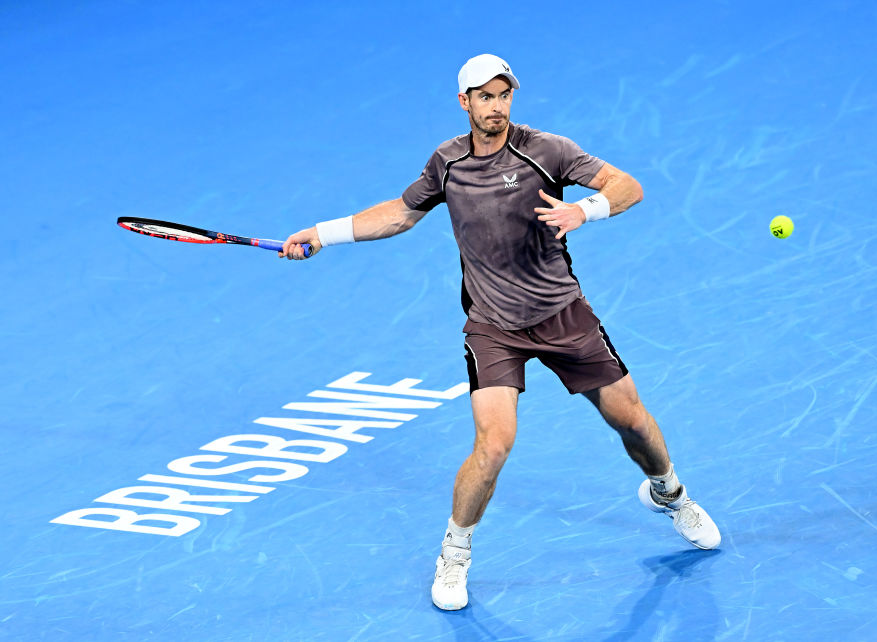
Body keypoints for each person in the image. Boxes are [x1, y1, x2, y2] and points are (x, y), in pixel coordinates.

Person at [279, 53, 721, 611]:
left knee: (632, 421)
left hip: (563, 313)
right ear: (464, 103)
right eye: (484, 97)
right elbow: (399, 213)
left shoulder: (547, 150)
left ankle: (669, 493)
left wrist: (585, 210)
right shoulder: (447, 162)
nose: (497, 107)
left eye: (504, 95)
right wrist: (323, 233)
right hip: (493, 327)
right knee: (493, 445)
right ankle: (454, 554)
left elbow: (626, 185)